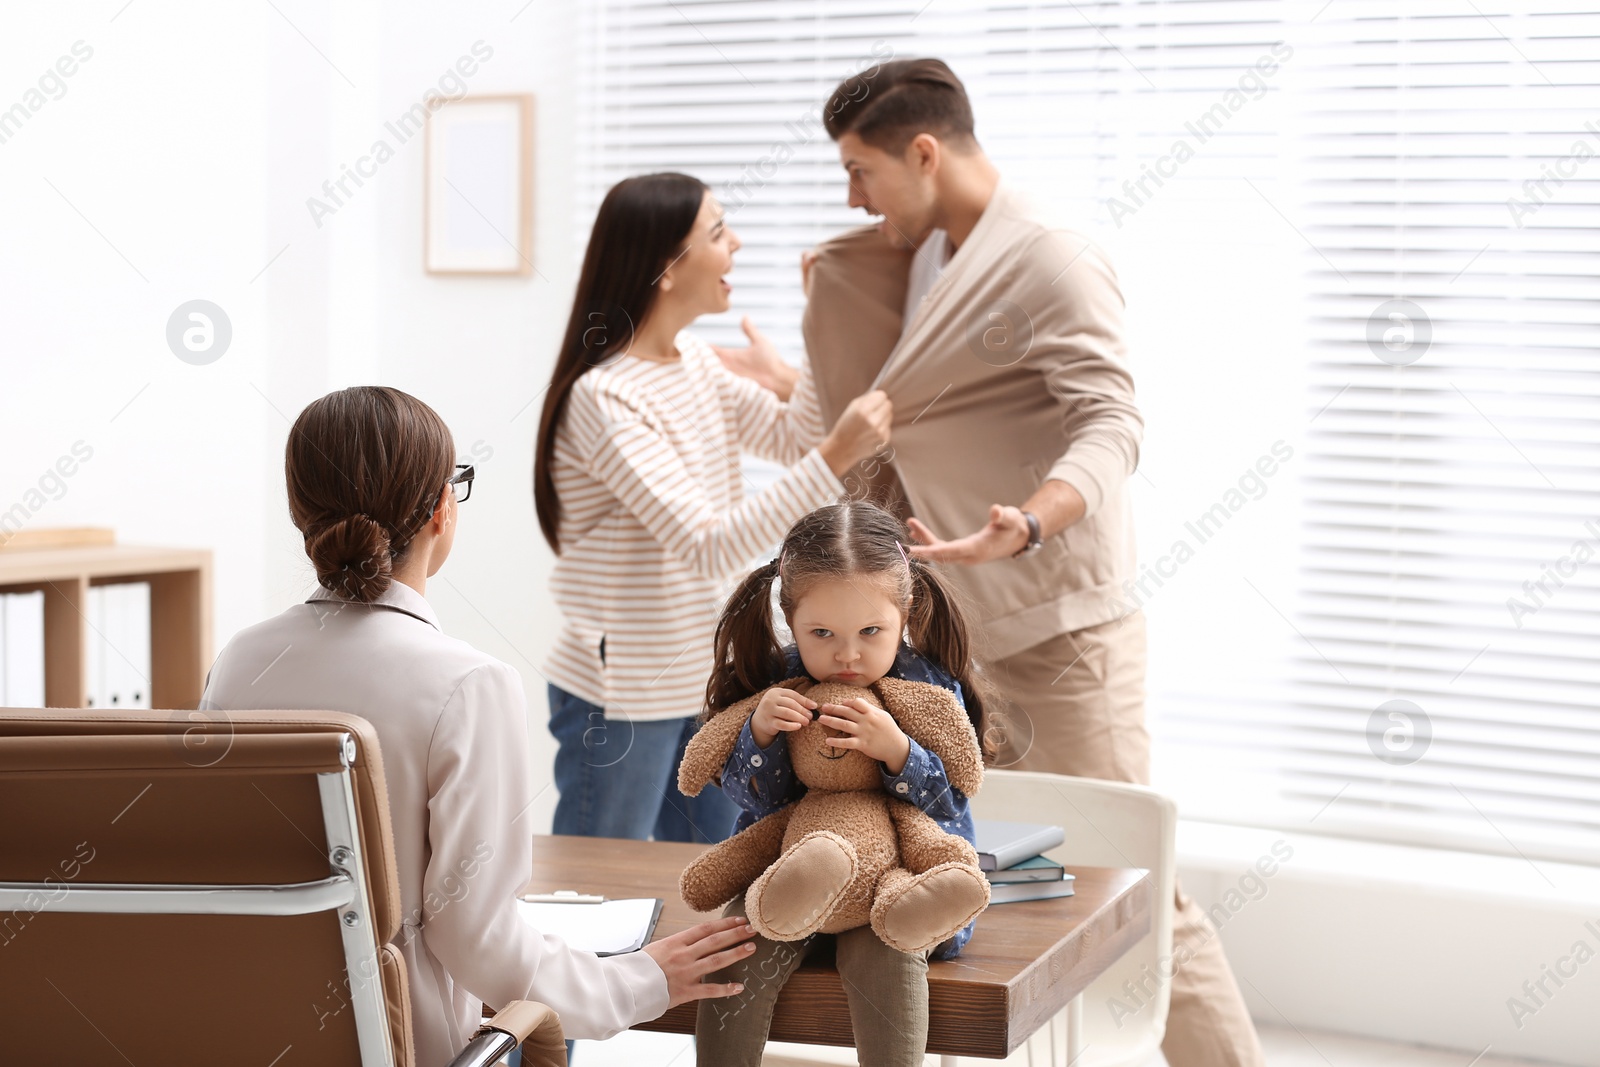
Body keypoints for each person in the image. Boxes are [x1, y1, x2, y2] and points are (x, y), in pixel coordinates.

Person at [717, 59, 1265, 1067]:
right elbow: (918, 414)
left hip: (1058, 636)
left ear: (924, 152)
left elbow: (1111, 419)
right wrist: (798, 380)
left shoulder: (1048, 255)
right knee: (967, 883)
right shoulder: (901, 258)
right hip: (937, 646)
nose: (849, 197)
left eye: (859, 169)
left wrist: (1033, 518)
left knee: (1133, 887)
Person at [201, 386, 760, 1066]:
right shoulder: (467, 684)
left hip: (240, 1039)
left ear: (299, 512)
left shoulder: (239, 663)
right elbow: (477, 938)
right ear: (441, 509)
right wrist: (639, 980)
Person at [533, 172, 893, 846]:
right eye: (719, 231)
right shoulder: (605, 398)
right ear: (667, 268)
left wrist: (813, 334)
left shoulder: (695, 361)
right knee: (599, 882)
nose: (737, 243)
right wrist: (837, 451)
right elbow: (707, 544)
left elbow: (794, 440)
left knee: (711, 871)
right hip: (624, 688)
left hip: (709, 671)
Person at [693, 500, 989, 1067]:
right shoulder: (776, 680)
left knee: (890, 950)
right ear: (791, 618)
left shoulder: (928, 687)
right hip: (790, 876)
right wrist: (759, 736)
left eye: (871, 631)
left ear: (907, 614)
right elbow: (752, 801)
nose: (847, 654)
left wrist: (897, 751)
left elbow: (953, 800)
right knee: (734, 948)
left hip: (892, 880)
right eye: (821, 632)